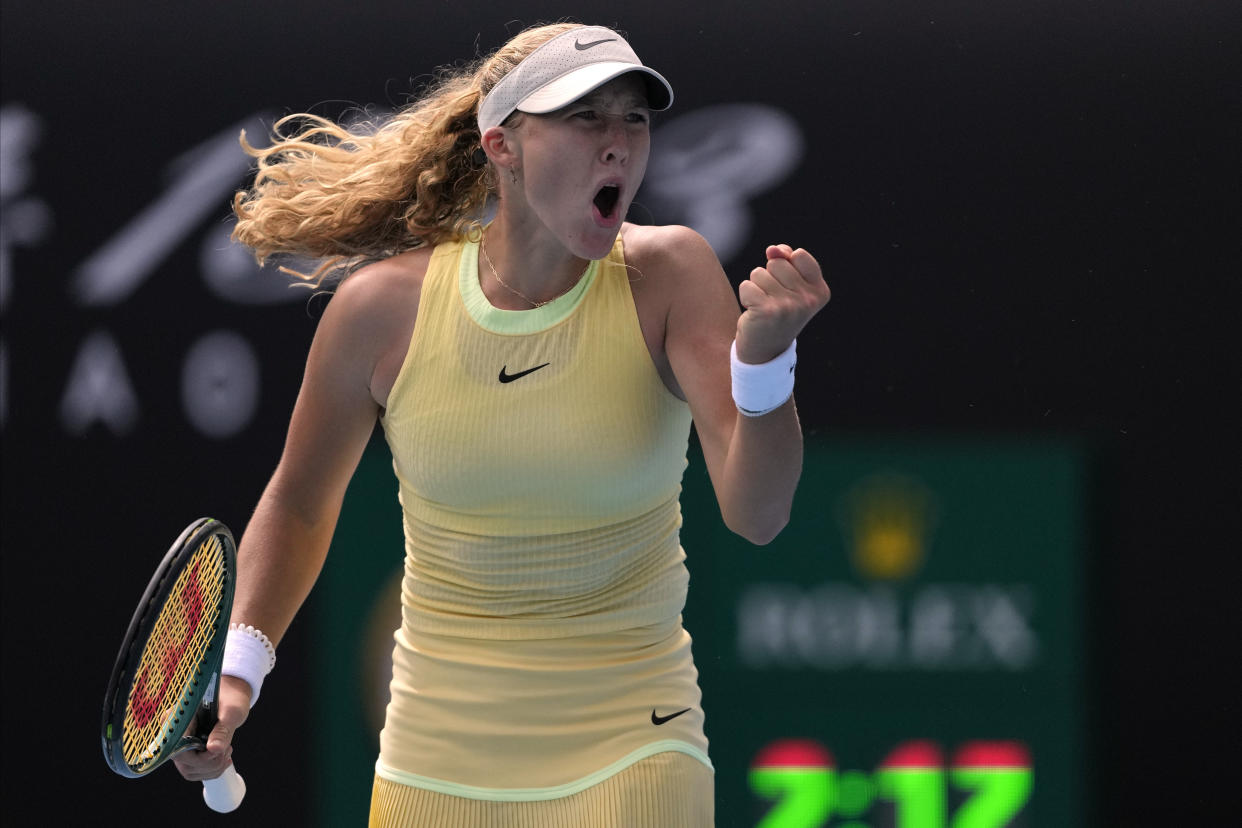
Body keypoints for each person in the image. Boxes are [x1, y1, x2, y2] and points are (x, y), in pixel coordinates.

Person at [173, 21, 830, 827]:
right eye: (586, 117)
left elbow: (758, 516)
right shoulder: (383, 310)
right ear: (503, 145)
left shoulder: (671, 274)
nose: (618, 142)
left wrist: (764, 369)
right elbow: (300, 503)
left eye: (634, 118)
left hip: (638, 746)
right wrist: (236, 675)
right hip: (431, 765)